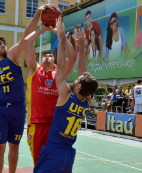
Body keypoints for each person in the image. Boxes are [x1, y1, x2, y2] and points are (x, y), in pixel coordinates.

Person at [0, 4, 57, 173]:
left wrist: (37, 14)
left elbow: (26, 36)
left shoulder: (13, 56)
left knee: (14, 146)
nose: (3, 45)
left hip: (17, 108)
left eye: (4, 43)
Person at [34, 17, 98, 172]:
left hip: (54, 151)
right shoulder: (86, 100)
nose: (76, 77)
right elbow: (83, 72)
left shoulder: (64, 96)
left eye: (77, 79)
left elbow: (61, 67)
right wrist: (81, 47)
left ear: (79, 86)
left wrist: (61, 39)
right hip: (68, 153)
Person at [23, 18, 77, 165]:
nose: (47, 56)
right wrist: (42, 29)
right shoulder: (34, 71)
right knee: (40, 163)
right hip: (37, 124)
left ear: (55, 63)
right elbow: (27, 43)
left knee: (56, 163)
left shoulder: (59, 74)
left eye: (51, 56)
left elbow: (72, 57)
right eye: (44, 55)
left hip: (56, 125)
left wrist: (61, 36)